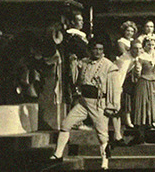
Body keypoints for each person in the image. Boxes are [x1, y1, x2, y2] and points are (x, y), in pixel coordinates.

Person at [50, 38, 119, 170]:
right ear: (90, 50)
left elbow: (115, 89)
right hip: (83, 102)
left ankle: (105, 162)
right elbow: (76, 74)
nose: (98, 52)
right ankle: (58, 154)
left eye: (100, 49)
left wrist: (112, 106)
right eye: (95, 49)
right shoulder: (85, 62)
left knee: (102, 135)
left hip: (98, 103)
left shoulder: (109, 66)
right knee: (66, 124)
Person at [132, 36, 155, 136]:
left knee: (154, 103)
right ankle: (142, 124)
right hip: (144, 82)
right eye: (148, 45)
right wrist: (137, 70)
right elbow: (137, 73)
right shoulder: (141, 57)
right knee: (145, 102)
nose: (150, 47)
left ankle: (152, 122)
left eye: (152, 45)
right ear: (144, 46)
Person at [111, 39, 141, 143]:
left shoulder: (138, 58)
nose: (138, 51)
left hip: (131, 86)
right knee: (117, 109)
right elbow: (119, 75)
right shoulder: (124, 60)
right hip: (119, 85)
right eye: (135, 48)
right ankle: (117, 135)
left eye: (140, 48)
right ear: (130, 49)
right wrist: (117, 89)